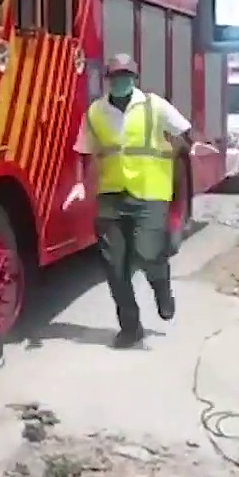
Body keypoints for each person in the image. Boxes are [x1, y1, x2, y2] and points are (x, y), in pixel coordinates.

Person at [73, 53, 191, 348]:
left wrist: (187, 149)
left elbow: (185, 131)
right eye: (116, 76)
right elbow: (83, 151)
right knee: (114, 266)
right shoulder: (96, 112)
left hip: (150, 193)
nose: (121, 81)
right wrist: (78, 183)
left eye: (126, 76)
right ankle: (130, 327)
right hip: (111, 195)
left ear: (134, 79)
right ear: (108, 79)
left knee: (148, 252)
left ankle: (162, 288)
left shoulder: (153, 105)